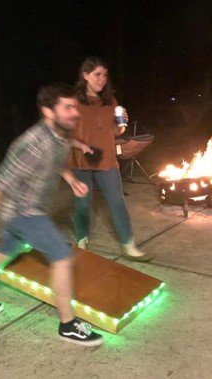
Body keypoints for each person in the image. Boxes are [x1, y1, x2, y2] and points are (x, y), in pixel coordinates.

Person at [0, 83, 103, 347]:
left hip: (25, 210)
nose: (75, 113)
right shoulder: (31, 143)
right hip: (23, 211)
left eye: (76, 107)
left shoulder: (59, 134)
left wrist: (70, 179)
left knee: (1, 254)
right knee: (61, 254)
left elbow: (59, 157)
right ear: (48, 111)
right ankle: (68, 325)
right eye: (68, 107)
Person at [69, 57, 154, 262]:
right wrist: (82, 146)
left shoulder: (110, 101)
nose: (102, 79)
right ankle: (81, 239)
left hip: (107, 160)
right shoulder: (74, 102)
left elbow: (116, 131)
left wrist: (122, 122)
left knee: (117, 202)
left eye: (105, 75)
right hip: (81, 162)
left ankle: (129, 245)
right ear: (85, 75)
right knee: (83, 205)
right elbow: (64, 132)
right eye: (97, 74)